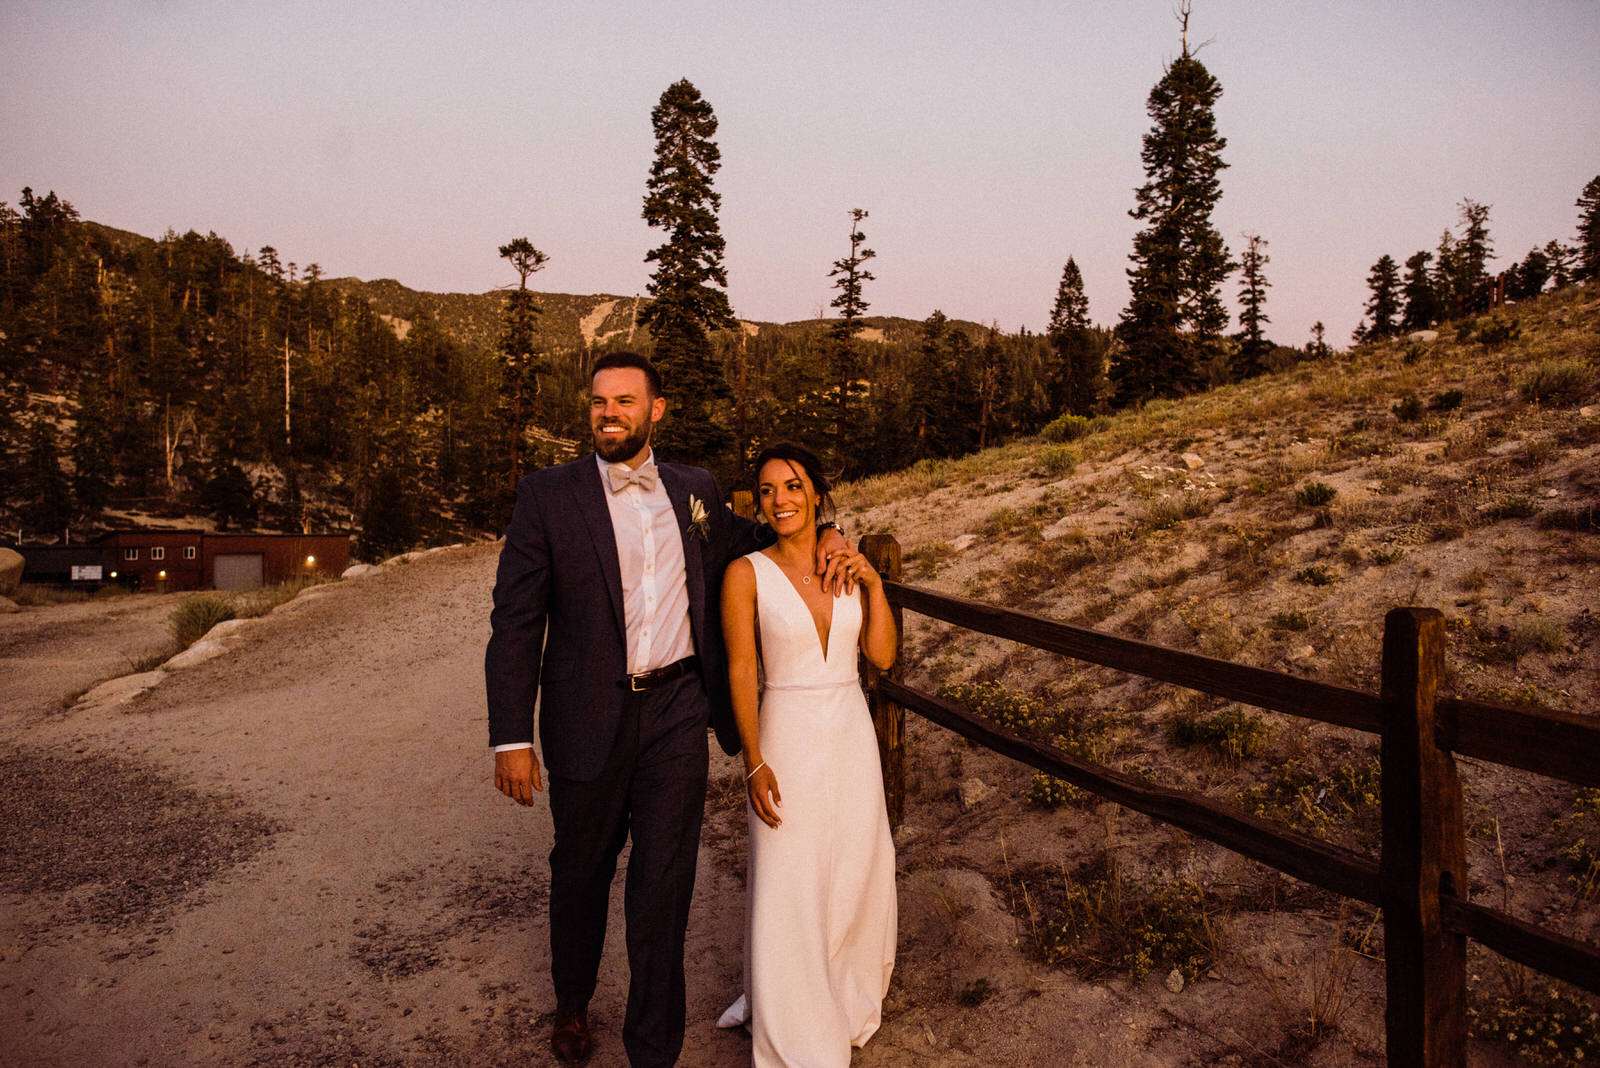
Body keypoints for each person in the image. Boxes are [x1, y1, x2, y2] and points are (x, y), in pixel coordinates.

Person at [485, 353, 848, 1067]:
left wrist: (828, 533)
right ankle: (572, 1001)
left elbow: (759, 537)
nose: (608, 412)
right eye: (597, 401)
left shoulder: (696, 489)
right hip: (585, 716)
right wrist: (509, 738)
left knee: (663, 885)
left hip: (679, 711)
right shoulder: (546, 497)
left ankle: (653, 1049)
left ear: (657, 410)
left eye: (624, 400)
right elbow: (516, 622)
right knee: (581, 869)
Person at [715, 443, 898, 1066]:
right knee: (788, 876)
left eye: (792, 487)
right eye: (767, 491)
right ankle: (793, 1024)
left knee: (853, 866)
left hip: (849, 732)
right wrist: (755, 760)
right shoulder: (745, 573)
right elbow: (743, 669)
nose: (780, 501)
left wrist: (872, 581)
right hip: (786, 730)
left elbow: (882, 658)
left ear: (817, 493)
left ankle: (842, 996)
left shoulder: (845, 563)